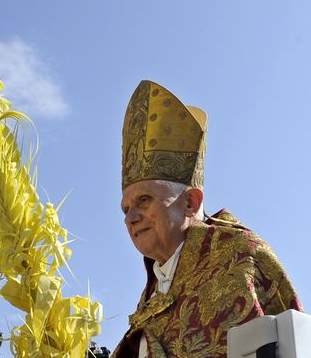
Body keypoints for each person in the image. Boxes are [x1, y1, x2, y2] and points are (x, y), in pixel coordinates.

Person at [112, 81, 303, 357]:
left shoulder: (238, 256)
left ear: (190, 202)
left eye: (144, 200)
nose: (131, 217)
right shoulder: (149, 299)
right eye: (125, 208)